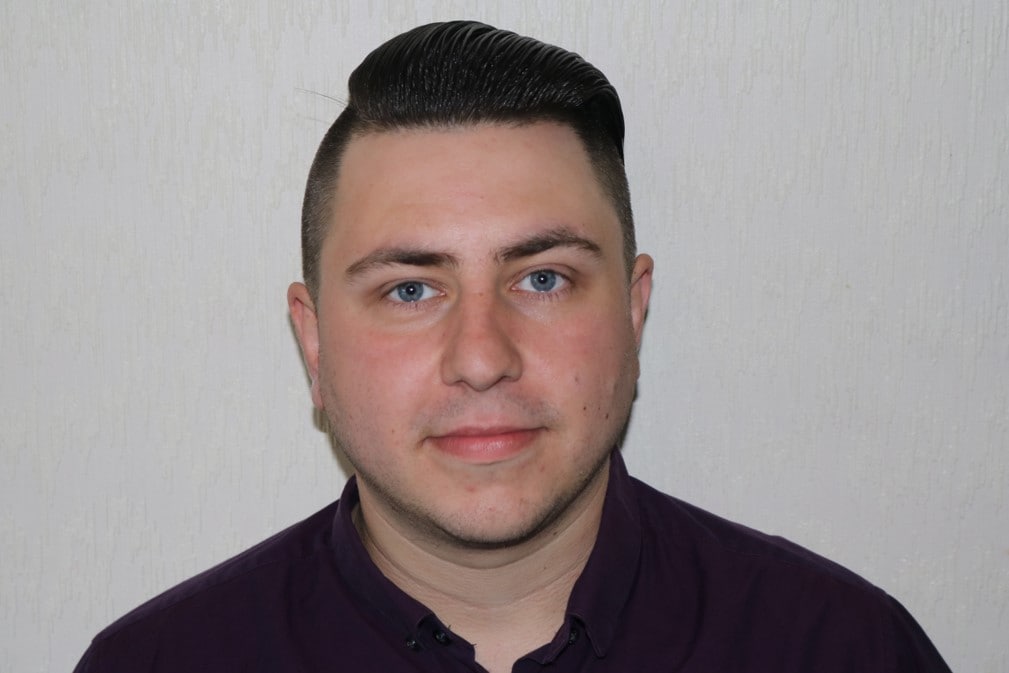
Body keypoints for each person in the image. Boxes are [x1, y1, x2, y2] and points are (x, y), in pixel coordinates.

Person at [74, 20, 952, 673]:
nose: (481, 357)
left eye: (543, 279)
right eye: (410, 289)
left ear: (633, 312)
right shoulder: (158, 663)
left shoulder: (844, 648)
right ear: (313, 342)